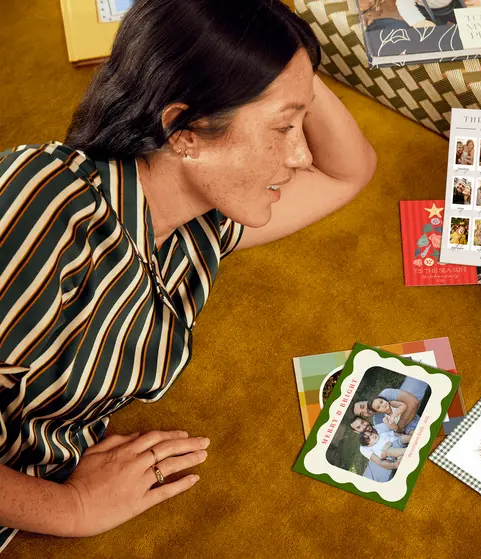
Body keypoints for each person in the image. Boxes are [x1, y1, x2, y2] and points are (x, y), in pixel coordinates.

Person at [0, 0, 376, 547]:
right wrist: (72, 507)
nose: (299, 155)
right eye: (283, 128)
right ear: (183, 130)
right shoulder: (41, 207)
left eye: (301, 122)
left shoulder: (195, 223)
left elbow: (348, 171)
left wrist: (275, 48)